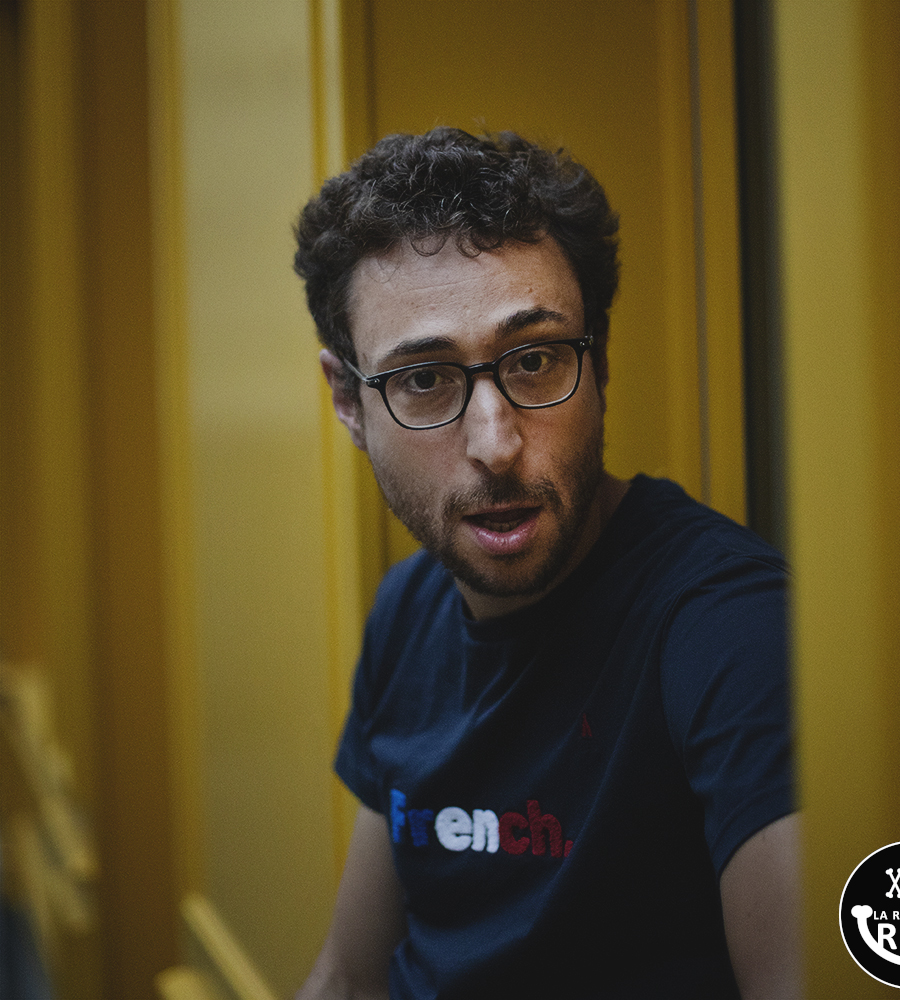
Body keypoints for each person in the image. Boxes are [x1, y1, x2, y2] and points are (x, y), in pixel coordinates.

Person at [293, 127, 799, 1000]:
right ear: (347, 398)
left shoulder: (734, 634)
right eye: (425, 379)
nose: (495, 444)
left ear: (598, 360)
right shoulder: (410, 609)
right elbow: (347, 977)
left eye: (534, 361)